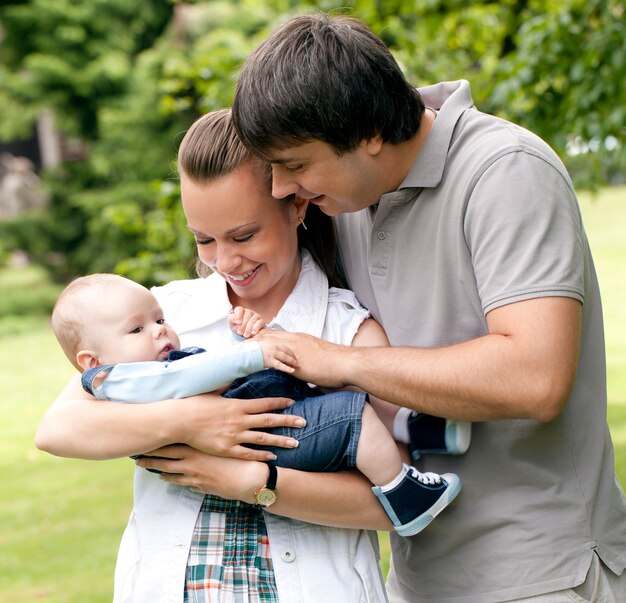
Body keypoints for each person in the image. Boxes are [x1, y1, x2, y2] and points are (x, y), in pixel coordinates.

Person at [230, 12, 626, 603]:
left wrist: (342, 362)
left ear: (368, 133)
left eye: (295, 164)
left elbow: (535, 378)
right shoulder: (347, 200)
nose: (284, 188)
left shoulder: (505, 172)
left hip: (540, 572)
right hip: (418, 572)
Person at [36, 108, 460, 603]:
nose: (224, 261)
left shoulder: (348, 330)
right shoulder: (160, 316)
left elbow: (387, 502)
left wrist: (254, 481)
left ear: (298, 206)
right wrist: (189, 420)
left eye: (243, 236)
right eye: (204, 239)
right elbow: (59, 429)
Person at [51, 271, 461, 535]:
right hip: (263, 441)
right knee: (352, 418)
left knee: (322, 395)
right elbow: (187, 379)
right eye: (138, 328)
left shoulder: (141, 366)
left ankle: (418, 428)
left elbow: (214, 381)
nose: (160, 331)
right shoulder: (118, 380)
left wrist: (246, 340)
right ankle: (404, 491)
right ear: (92, 361)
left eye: (159, 320)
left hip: (263, 432)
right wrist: (251, 356)